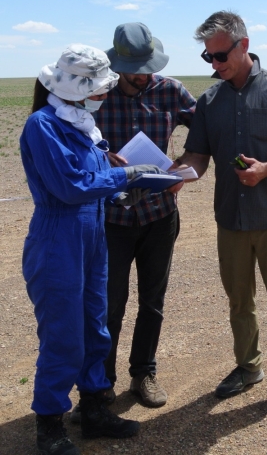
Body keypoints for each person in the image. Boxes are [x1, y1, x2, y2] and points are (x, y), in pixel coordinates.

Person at [170, 11, 267, 420]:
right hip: (230, 218)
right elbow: (198, 155)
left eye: (220, 56)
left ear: (244, 45)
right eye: (208, 58)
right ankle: (248, 367)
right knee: (239, 301)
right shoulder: (209, 101)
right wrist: (177, 174)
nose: (215, 65)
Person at [21, 44, 161, 455]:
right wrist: (124, 176)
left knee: (95, 327)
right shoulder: (43, 125)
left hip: (91, 236)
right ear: (78, 88)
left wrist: (120, 195)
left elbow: (90, 181)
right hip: (57, 240)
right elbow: (69, 188)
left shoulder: (82, 125)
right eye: (99, 89)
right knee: (63, 335)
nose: (104, 95)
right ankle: (49, 424)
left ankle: (94, 408)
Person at [94, 22, 197, 408]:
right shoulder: (98, 95)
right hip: (112, 218)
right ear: (117, 65)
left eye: (147, 66)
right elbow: (71, 136)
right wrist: (100, 155)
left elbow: (204, 127)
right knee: (110, 304)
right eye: (134, 68)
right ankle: (101, 382)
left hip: (159, 214)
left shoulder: (170, 90)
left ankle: (144, 373)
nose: (142, 75)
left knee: (152, 301)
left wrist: (184, 166)